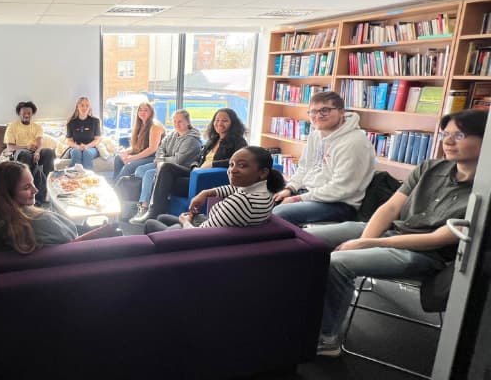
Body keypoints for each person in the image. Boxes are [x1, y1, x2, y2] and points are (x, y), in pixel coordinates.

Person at [309, 109, 487, 357]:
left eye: (459, 136)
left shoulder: (484, 191)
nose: (446, 141)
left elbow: (437, 240)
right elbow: (392, 207)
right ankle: (302, 314)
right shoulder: (430, 167)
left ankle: (327, 338)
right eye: (446, 134)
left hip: (425, 254)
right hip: (391, 233)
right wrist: (364, 241)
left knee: (337, 262)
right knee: (308, 239)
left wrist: (368, 244)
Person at [272, 91, 375, 226]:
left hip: (339, 204)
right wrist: (290, 188)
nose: (318, 116)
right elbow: (304, 168)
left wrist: (298, 198)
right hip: (310, 193)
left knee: (280, 213)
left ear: (341, 112)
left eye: (325, 110)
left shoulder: (354, 142)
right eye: (313, 112)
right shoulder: (316, 135)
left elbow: (340, 189)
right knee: (263, 203)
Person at [132, 108, 246, 222]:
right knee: (166, 168)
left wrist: (212, 164)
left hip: (208, 178)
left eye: (225, 120)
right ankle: (155, 210)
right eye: (217, 120)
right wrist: (195, 166)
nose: (220, 123)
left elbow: (238, 162)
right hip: (196, 173)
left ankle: (155, 211)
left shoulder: (238, 141)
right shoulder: (213, 139)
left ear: (233, 123)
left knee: (162, 180)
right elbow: (198, 158)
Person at [143, 146, 285, 233]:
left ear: (263, 172)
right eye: (231, 164)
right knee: (162, 217)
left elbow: (199, 236)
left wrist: (185, 222)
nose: (232, 170)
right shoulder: (265, 190)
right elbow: (233, 189)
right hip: (215, 228)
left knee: (151, 223)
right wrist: (206, 192)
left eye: (242, 166)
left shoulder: (239, 202)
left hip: (201, 240)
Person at [0, 161, 78, 254]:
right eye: (26, 187)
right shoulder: (41, 220)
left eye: (33, 183)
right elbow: (73, 238)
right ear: (7, 194)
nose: (36, 190)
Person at [131, 109, 201, 220]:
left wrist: (162, 161)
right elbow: (160, 149)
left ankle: (144, 206)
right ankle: (145, 196)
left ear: (188, 122)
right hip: (163, 163)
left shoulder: (192, 140)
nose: (176, 124)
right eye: (174, 121)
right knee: (139, 170)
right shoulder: (172, 134)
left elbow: (178, 160)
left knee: (149, 174)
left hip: (178, 169)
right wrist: (160, 161)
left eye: (180, 121)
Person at [3, 101, 56, 204]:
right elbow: (10, 147)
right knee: (25, 154)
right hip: (20, 152)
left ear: (32, 114)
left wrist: (37, 152)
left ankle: (48, 189)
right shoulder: (12, 127)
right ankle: (30, 193)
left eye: (29, 113)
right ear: (19, 113)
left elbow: (40, 143)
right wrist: (26, 146)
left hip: (35, 151)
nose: (27, 115)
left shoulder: (37, 127)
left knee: (49, 152)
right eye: (24, 113)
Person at [113, 102, 165, 179]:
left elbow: (152, 149)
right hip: (143, 155)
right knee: (118, 158)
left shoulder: (155, 126)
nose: (142, 112)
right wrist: (125, 152)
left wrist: (131, 158)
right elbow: (137, 147)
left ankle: (116, 188)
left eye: (146, 110)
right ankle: (117, 182)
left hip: (153, 157)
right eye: (140, 110)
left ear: (151, 112)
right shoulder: (140, 125)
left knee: (129, 165)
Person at [65, 97, 102, 170]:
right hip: (76, 148)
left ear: (89, 108)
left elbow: (97, 139)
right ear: (77, 106)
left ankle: (88, 179)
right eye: (82, 105)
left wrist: (87, 147)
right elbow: (69, 141)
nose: (84, 108)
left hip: (91, 148)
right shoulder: (71, 122)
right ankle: (74, 178)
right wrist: (78, 147)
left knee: (86, 153)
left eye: (87, 105)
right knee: (76, 153)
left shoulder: (95, 121)